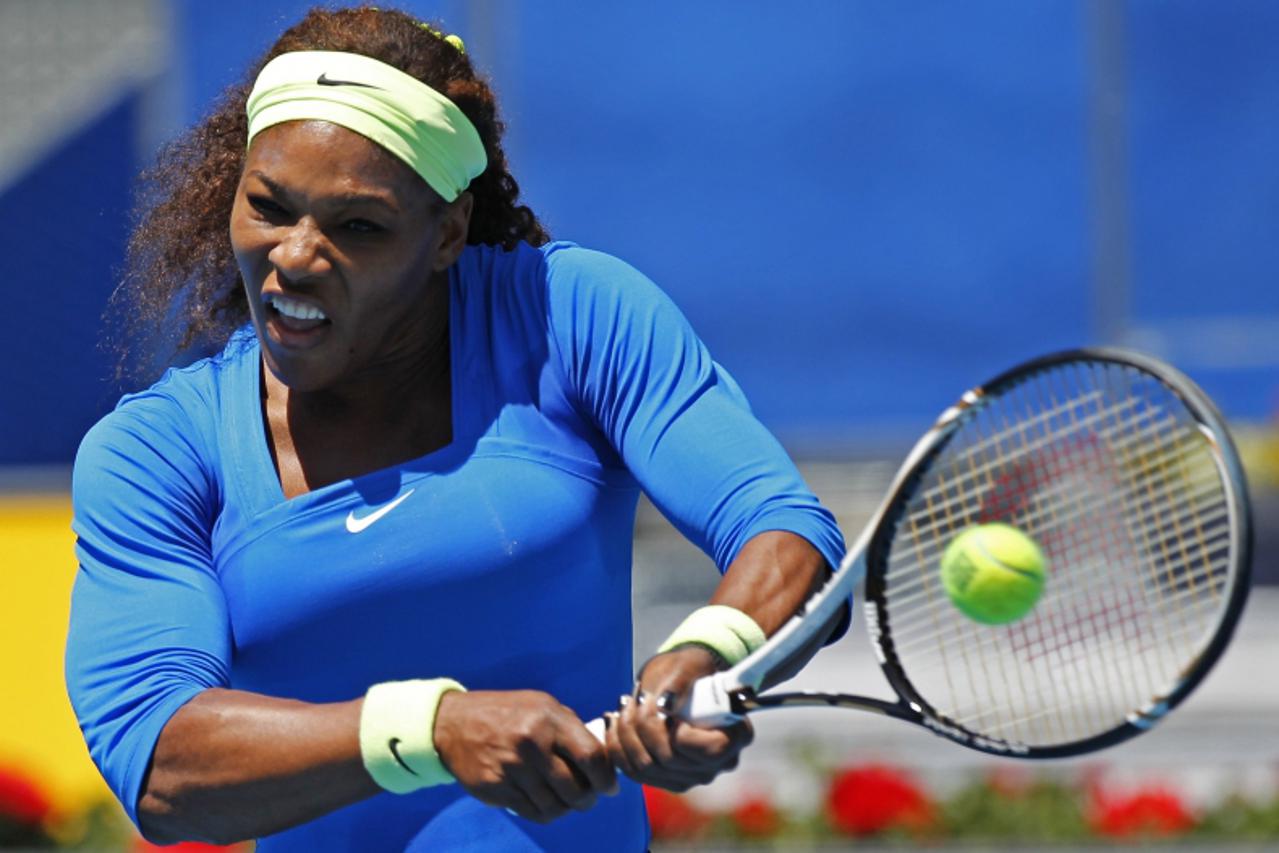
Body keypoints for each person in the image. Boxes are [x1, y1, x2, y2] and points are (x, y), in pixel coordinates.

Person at [65, 7, 846, 851]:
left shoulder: (569, 314)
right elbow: (161, 768)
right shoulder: (155, 453)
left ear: (447, 234)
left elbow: (787, 532)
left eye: (357, 225)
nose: (294, 254)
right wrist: (429, 730)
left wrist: (705, 654)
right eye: (268, 205)